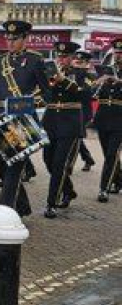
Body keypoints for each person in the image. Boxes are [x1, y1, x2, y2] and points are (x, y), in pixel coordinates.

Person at [0, 20, 50, 217]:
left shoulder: (35, 60)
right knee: (0, 163)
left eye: (14, 39)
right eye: (7, 39)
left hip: (21, 121)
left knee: (15, 167)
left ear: (26, 38)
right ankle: (23, 205)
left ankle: (4, 212)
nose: (9, 43)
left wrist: (29, 103)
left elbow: (47, 92)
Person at [41, 41, 91, 219]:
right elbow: (45, 96)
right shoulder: (49, 73)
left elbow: (85, 95)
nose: (61, 59)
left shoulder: (81, 74)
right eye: (59, 56)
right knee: (47, 160)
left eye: (64, 56)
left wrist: (65, 81)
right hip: (51, 122)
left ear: (72, 58)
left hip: (69, 124)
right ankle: (68, 190)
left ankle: (51, 203)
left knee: (59, 164)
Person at [94, 39, 122, 202]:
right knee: (108, 154)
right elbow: (93, 94)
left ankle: (103, 188)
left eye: (121, 53)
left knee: (112, 154)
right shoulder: (106, 72)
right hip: (103, 118)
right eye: (116, 53)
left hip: (119, 119)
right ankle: (118, 179)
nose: (118, 56)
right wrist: (98, 82)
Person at [72, 50, 96, 172]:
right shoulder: (71, 73)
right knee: (75, 137)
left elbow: (87, 93)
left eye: (81, 62)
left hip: (83, 112)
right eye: (77, 61)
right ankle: (88, 159)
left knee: (76, 137)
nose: (77, 63)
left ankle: (69, 166)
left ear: (87, 63)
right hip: (71, 111)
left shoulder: (89, 76)